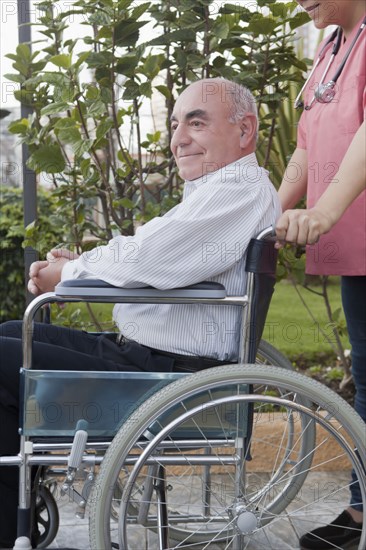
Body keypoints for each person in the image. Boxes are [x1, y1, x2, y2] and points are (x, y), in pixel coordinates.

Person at [0, 77, 280, 548]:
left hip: (171, 379)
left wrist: (67, 278)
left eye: (196, 122)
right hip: (150, 360)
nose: (178, 139)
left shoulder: (238, 190)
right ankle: (15, 508)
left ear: (245, 130)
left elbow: (149, 261)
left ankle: (11, 521)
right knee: (11, 332)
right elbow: (148, 252)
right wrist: (78, 267)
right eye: (175, 124)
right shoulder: (219, 187)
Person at [275, 2, 366, 549]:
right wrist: (269, 214)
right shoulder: (330, 45)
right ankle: (360, 511)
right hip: (357, 252)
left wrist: (325, 210)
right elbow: (307, 145)